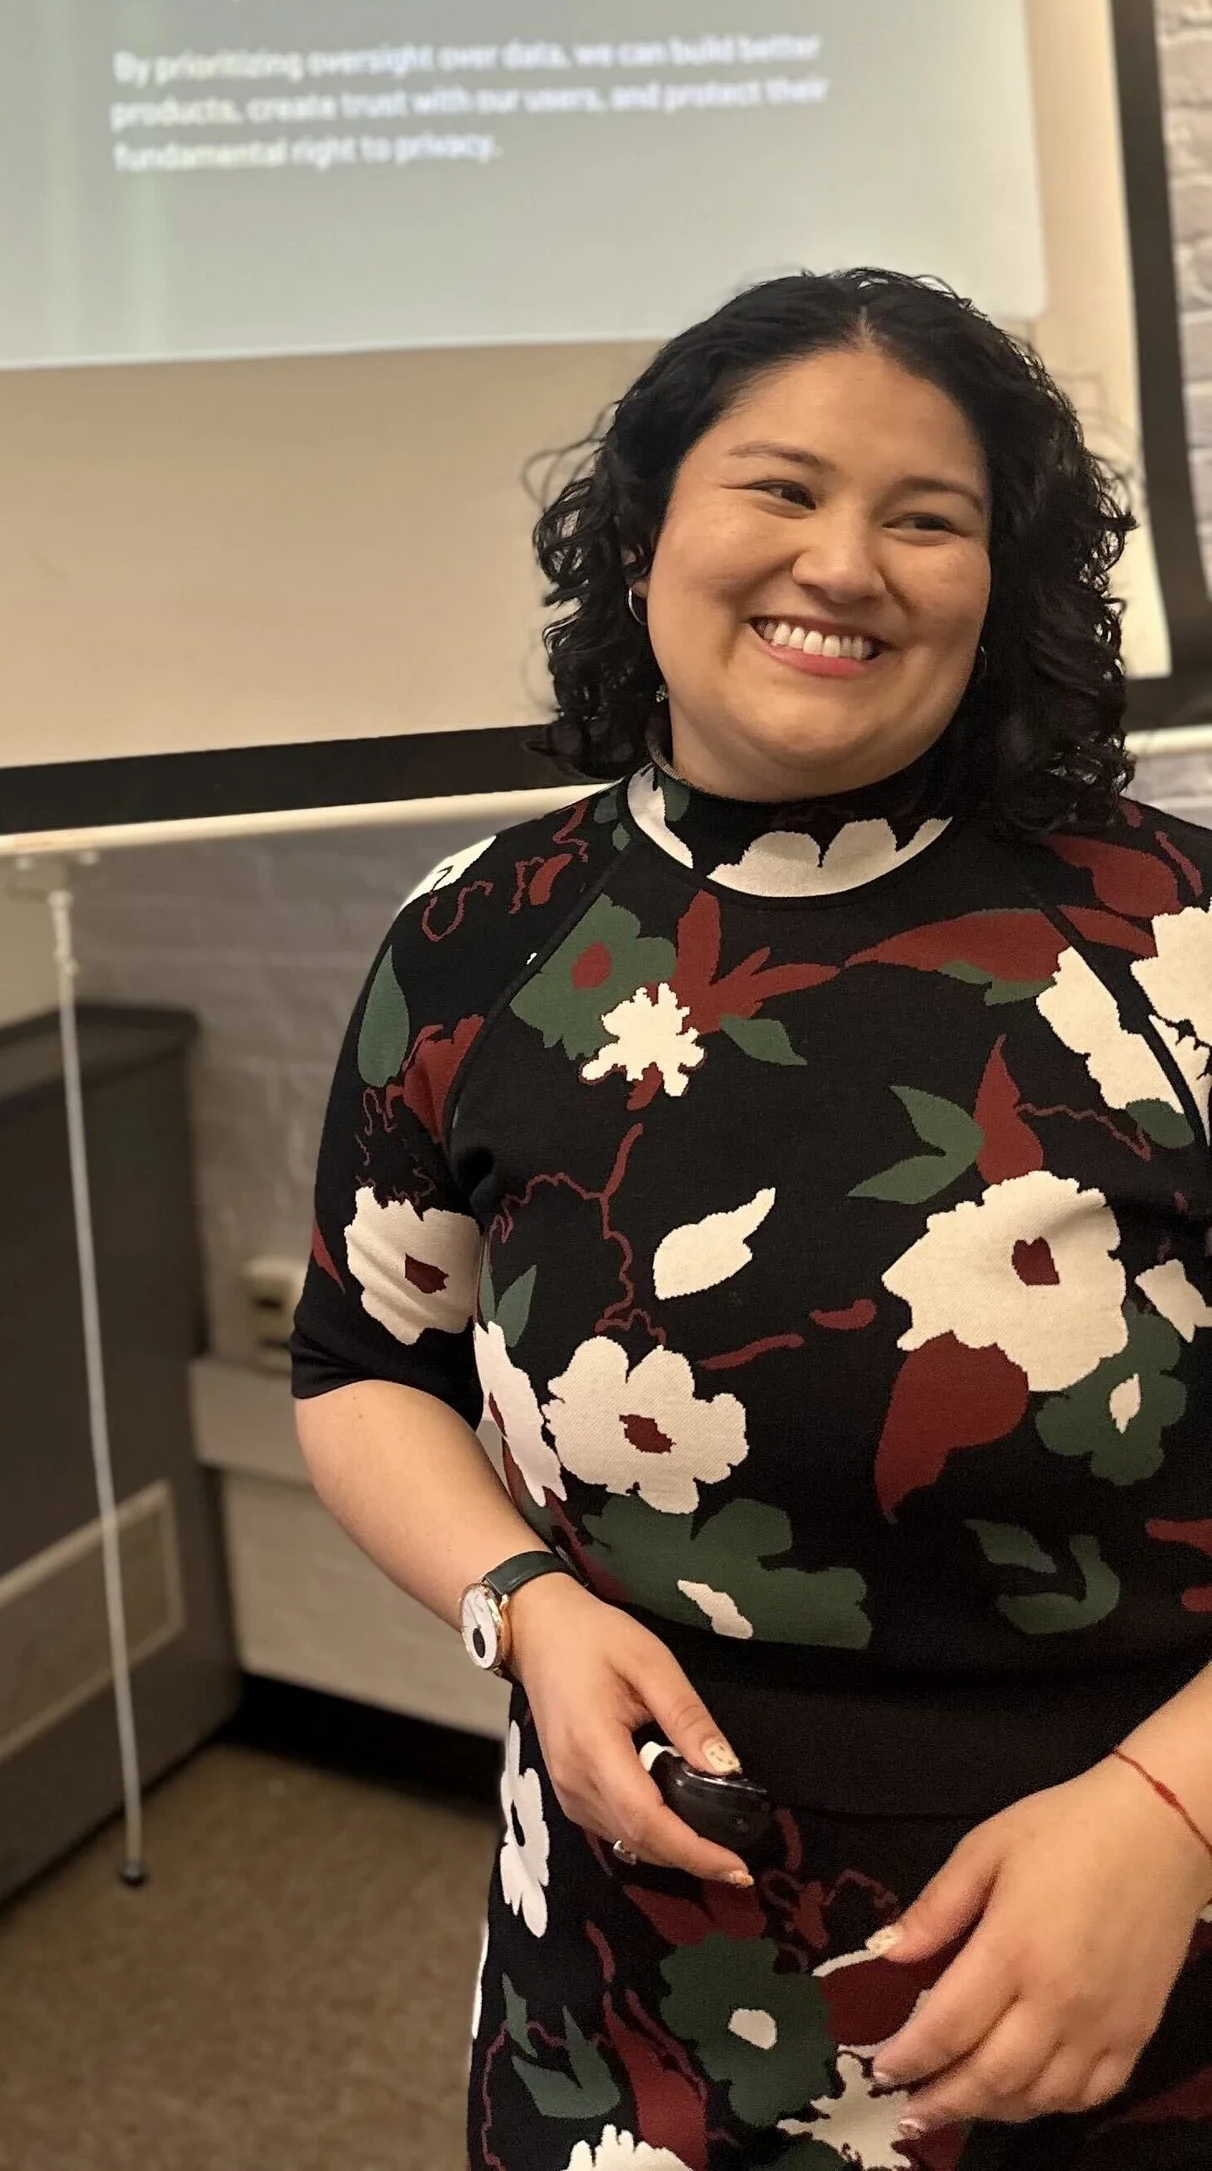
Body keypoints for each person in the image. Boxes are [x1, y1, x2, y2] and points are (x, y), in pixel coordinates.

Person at [293, 268, 1212, 2167]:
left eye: (927, 517)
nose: (845, 564)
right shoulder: (476, 940)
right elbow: (360, 1364)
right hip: (629, 1990)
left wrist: (1173, 1820)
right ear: (644, 533)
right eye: (781, 488)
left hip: (1135, 1952)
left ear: (1003, 582)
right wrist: (521, 1603)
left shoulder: (1179, 944)